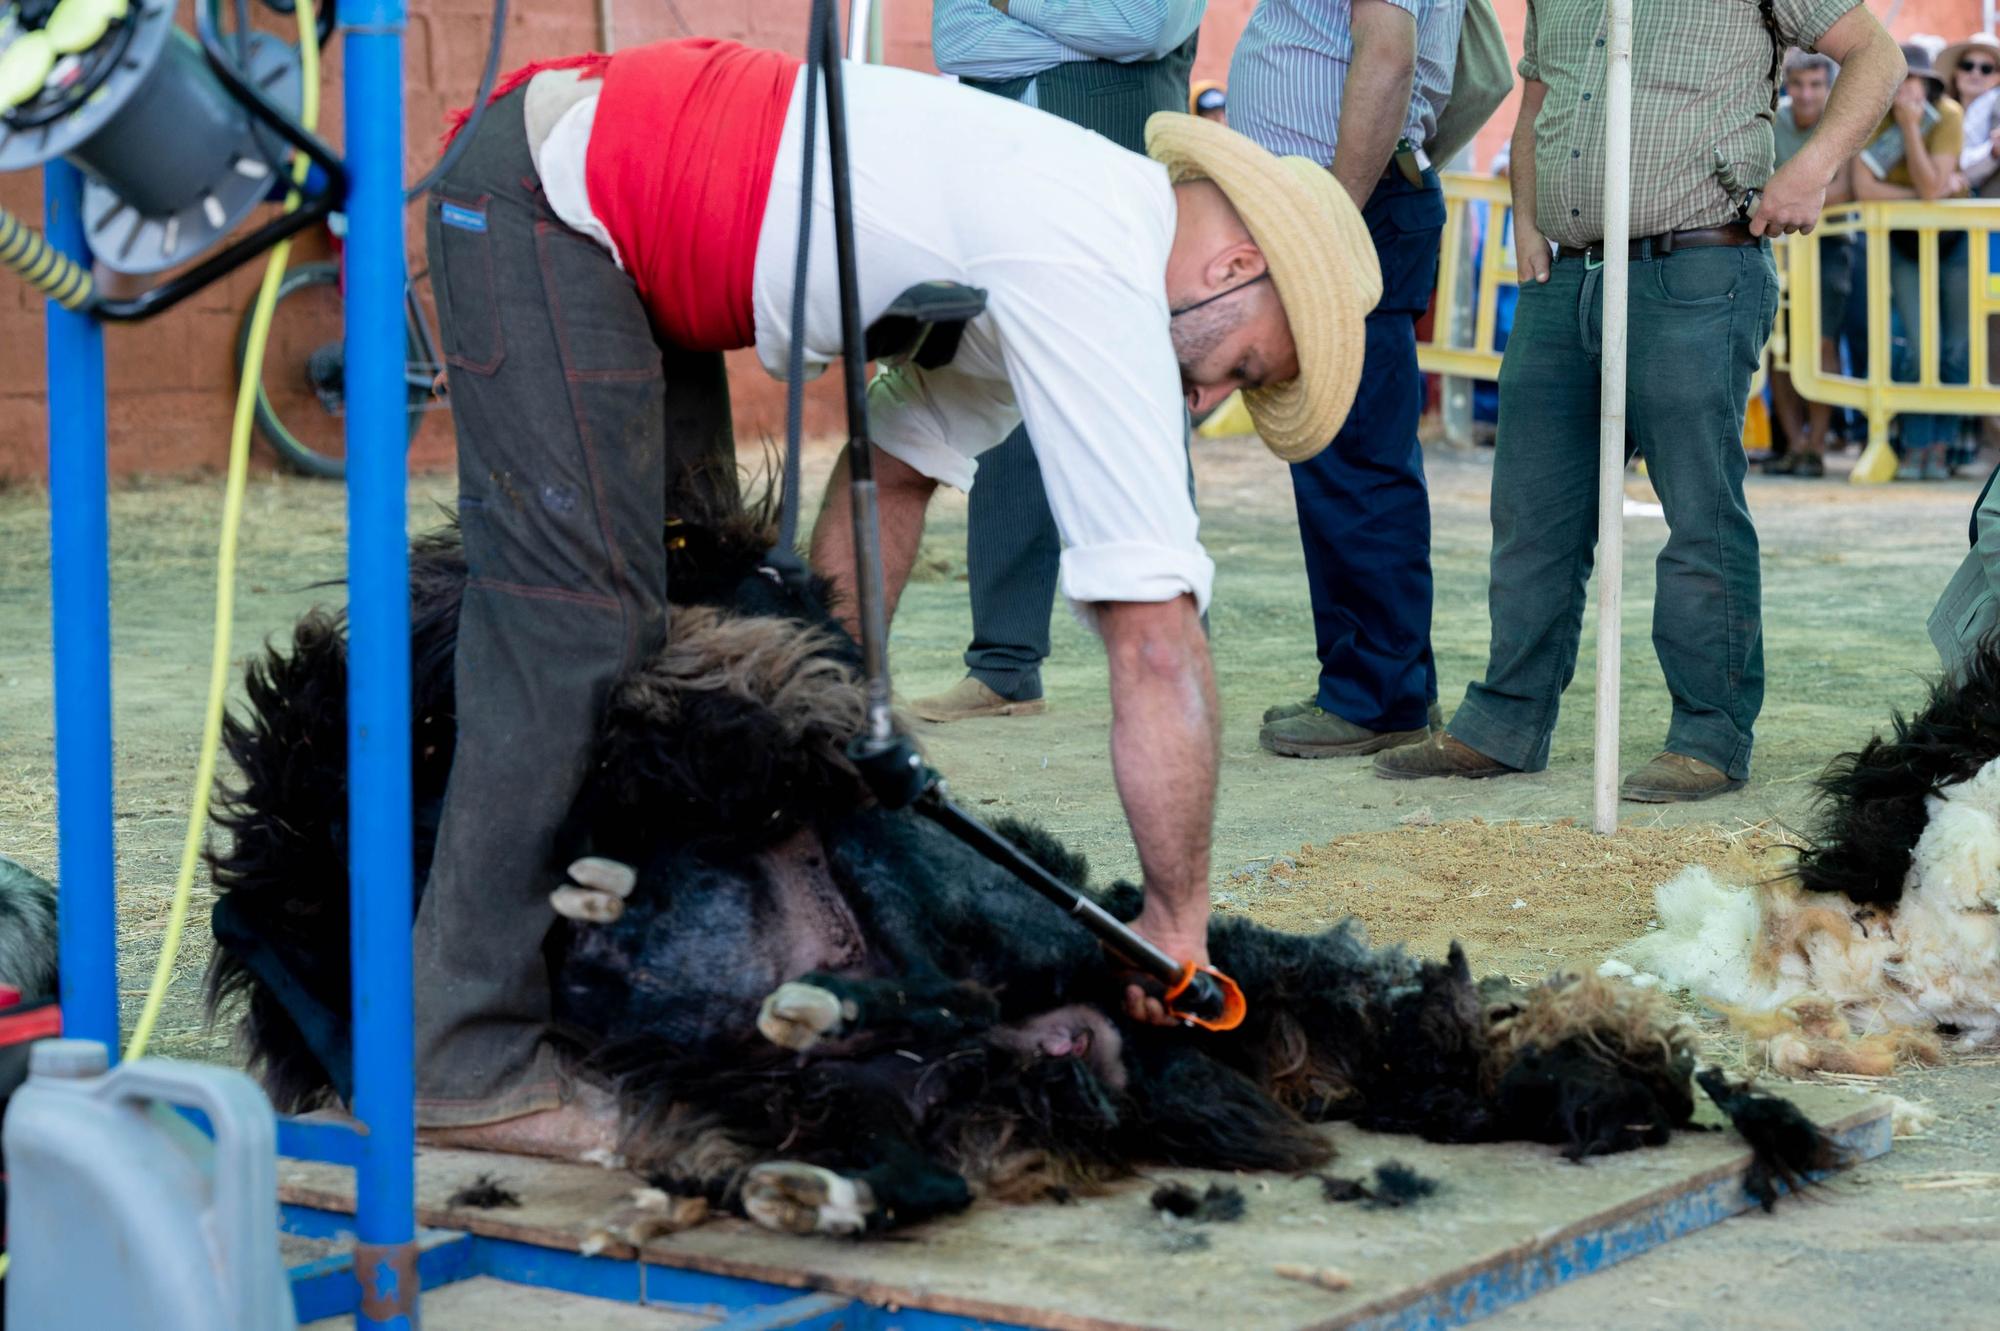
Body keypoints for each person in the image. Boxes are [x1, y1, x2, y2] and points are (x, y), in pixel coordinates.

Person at [413, 36, 1376, 1157]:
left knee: (689, 615)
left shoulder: (1043, 242)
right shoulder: (1091, 255)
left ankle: (602, 988)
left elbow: (894, 479)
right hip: (548, 200)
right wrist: (1174, 918)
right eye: (1241, 369)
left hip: (621, 237)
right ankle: (462, 1060)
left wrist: (817, 724)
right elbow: (1155, 642)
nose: (1205, 398)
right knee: (574, 627)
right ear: (1231, 265)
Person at [1376, 0, 1902, 802]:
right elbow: (1541, 97)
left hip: (1697, 263)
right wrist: (1526, 219)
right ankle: (1505, 721)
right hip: (1569, 274)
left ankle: (1708, 734)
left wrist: (1811, 165)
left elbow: (1876, 55)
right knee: (1531, 511)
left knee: (1697, 511)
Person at [913, 0, 1205, 725]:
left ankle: (1173, 652)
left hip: (1103, 136)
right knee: (997, 373)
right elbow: (956, 35)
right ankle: (1004, 666)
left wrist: (1011, 6)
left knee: (1130, 387)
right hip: (990, 127)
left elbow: (1143, 27)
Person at [1232, 0, 1463, 762]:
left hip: (1348, 205)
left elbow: (1389, 55)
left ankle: (1378, 695)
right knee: (1339, 454)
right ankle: (1367, 682)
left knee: (1356, 455)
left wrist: (1333, 213)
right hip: (1350, 199)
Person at [1854, 43, 1969, 481]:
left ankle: (1944, 445)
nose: (1909, 89)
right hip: (1903, 242)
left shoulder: (1950, 115)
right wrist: (1930, 191)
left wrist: (1912, 130)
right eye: (1902, 79)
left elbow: (1929, 183)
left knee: (1958, 347)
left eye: (1916, 79)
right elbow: (1870, 190)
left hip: (1953, 241)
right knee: (1919, 346)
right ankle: (1917, 445)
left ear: (1930, 83)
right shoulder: (1873, 117)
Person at [1766, 50, 1855, 479]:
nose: (1806, 94)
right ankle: (1795, 446)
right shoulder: (1773, 119)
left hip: (1829, 247)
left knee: (1822, 344)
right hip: (1780, 248)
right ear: (1788, 85)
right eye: (1798, 84)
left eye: (1816, 85)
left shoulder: (1842, 120)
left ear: (1828, 86)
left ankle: (1817, 447)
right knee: (1780, 350)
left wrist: (1786, 198)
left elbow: (1848, 189)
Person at [1942, 31, 2000, 196]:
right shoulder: (1942, 110)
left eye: (1986, 69)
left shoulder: (1995, 102)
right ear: (1956, 72)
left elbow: (1965, 168)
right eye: (1967, 65)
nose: (1975, 73)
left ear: (1998, 76)